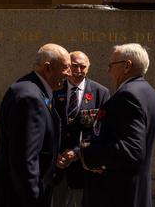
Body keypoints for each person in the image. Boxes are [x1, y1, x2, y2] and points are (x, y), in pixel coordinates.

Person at [0, 43, 71, 207]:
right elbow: (24, 159)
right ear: (47, 68)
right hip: (17, 197)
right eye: (65, 68)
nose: (69, 74)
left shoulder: (34, 89)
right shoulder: (30, 98)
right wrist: (34, 198)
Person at [80, 43, 155, 207]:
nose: (108, 70)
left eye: (111, 65)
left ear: (127, 66)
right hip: (134, 190)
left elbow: (132, 150)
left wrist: (87, 152)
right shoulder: (148, 92)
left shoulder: (128, 95)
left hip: (118, 193)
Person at [52, 51, 109, 207]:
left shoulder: (101, 93)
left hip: (85, 166)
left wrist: (77, 152)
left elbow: (101, 131)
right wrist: (54, 154)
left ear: (88, 68)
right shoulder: (54, 89)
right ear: (67, 67)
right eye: (74, 66)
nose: (78, 70)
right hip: (56, 166)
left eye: (82, 66)